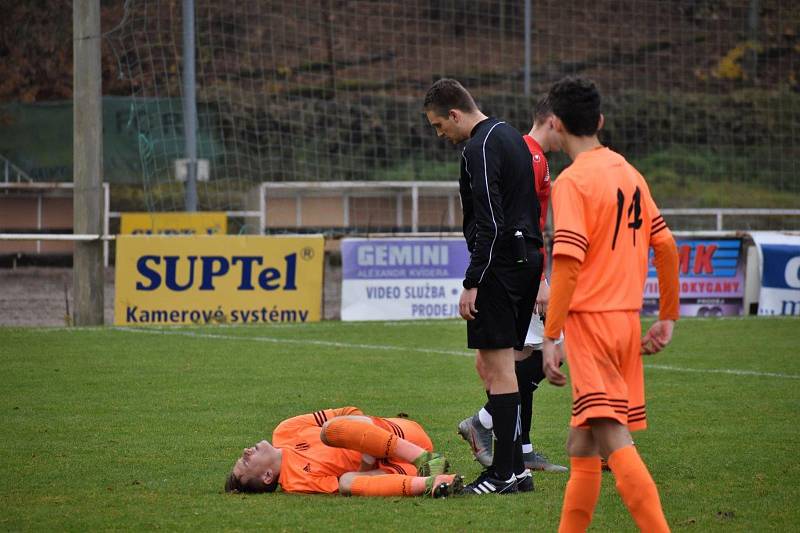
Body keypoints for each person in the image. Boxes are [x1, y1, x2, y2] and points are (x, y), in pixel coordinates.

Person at [540, 76, 680, 532]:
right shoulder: (628, 172)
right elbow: (667, 246)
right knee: (581, 446)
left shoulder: (572, 182)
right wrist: (668, 316)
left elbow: (567, 265)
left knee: (613, 439)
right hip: (626, 324)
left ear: (556, 124)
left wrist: (551, 335)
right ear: (599, 121)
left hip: (591, 326)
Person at [424, 78, 544, 494]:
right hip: (527, 259)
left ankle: (502, 474)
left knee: (496, 370)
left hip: (500, 266)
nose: (441, 135)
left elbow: (490, 221)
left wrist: (472, 281)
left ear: (455, 114)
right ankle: (518, 472)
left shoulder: (478, 147)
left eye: (440, 125)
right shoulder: (511, 135)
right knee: (503, 367)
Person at [457, 95, 568, 475]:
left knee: (519, 358)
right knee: (538, 353)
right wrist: (539, 279)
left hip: (523, 270)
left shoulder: (529, 154)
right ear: (553, 121)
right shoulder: (527, 154)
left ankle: (517, 444)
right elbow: (522, 225)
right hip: (522, 274)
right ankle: (493, 430)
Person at [224, 406, 463, 498]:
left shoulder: (285, 430)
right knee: (347, 483)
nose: (245, 452)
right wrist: (368, 457)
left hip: (400, 434)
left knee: (330, 429)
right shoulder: (296, 482)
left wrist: (364, 440)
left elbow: (350, 411)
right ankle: (433, 482)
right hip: (399, 469)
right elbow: (359, 477)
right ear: (267, 476)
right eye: (245, 463)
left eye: (241, 458)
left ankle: (426, 458)